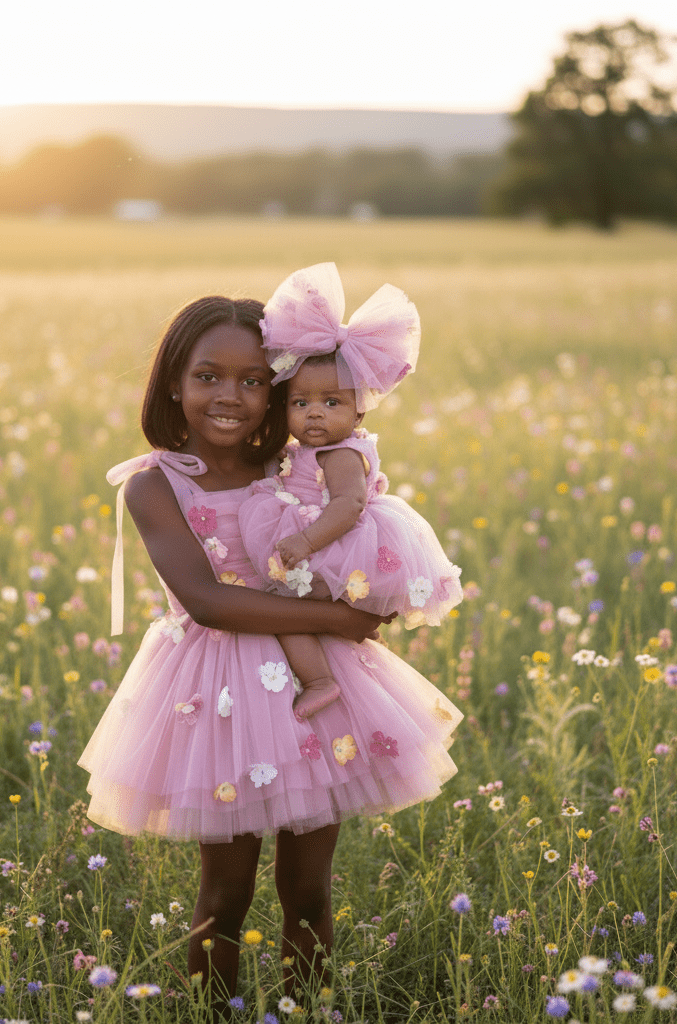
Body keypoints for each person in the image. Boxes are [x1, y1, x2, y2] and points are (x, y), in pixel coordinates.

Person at [77, 293, 461, 1007]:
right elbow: (207, 599)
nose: (231, 396)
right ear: (172, 382)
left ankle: (306, 1007)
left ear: (280, 390)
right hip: (215, 694)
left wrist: (368, 589)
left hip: (318, 688)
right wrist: (335, 618)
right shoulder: (154, 484)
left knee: (309, 888)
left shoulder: (297, 464)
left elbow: (356, 524)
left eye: (254, 381)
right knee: (223, 893)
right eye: (208, 376)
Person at [239, 263, 464, 719]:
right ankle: (342, 652)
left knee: (281, 606)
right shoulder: (305, 449)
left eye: (332, 402)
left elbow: (349, 503)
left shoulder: (341, 455)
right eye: (301, 403)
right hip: (326, 542)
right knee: (297, 608)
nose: (314, 414)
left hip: (333, 542)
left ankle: (320, 681)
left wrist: (304, 541)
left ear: (359, 412)